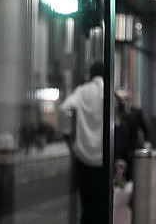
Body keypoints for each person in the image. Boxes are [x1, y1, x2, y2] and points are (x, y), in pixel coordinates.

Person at [59, 60, 105, 224]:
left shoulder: (82, 91)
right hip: (103, 156)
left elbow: (64, 108)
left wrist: (68, 137)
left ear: (91, 74)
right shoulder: (107, 91)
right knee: (101, 204)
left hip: (83, 156)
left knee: (87, 204)